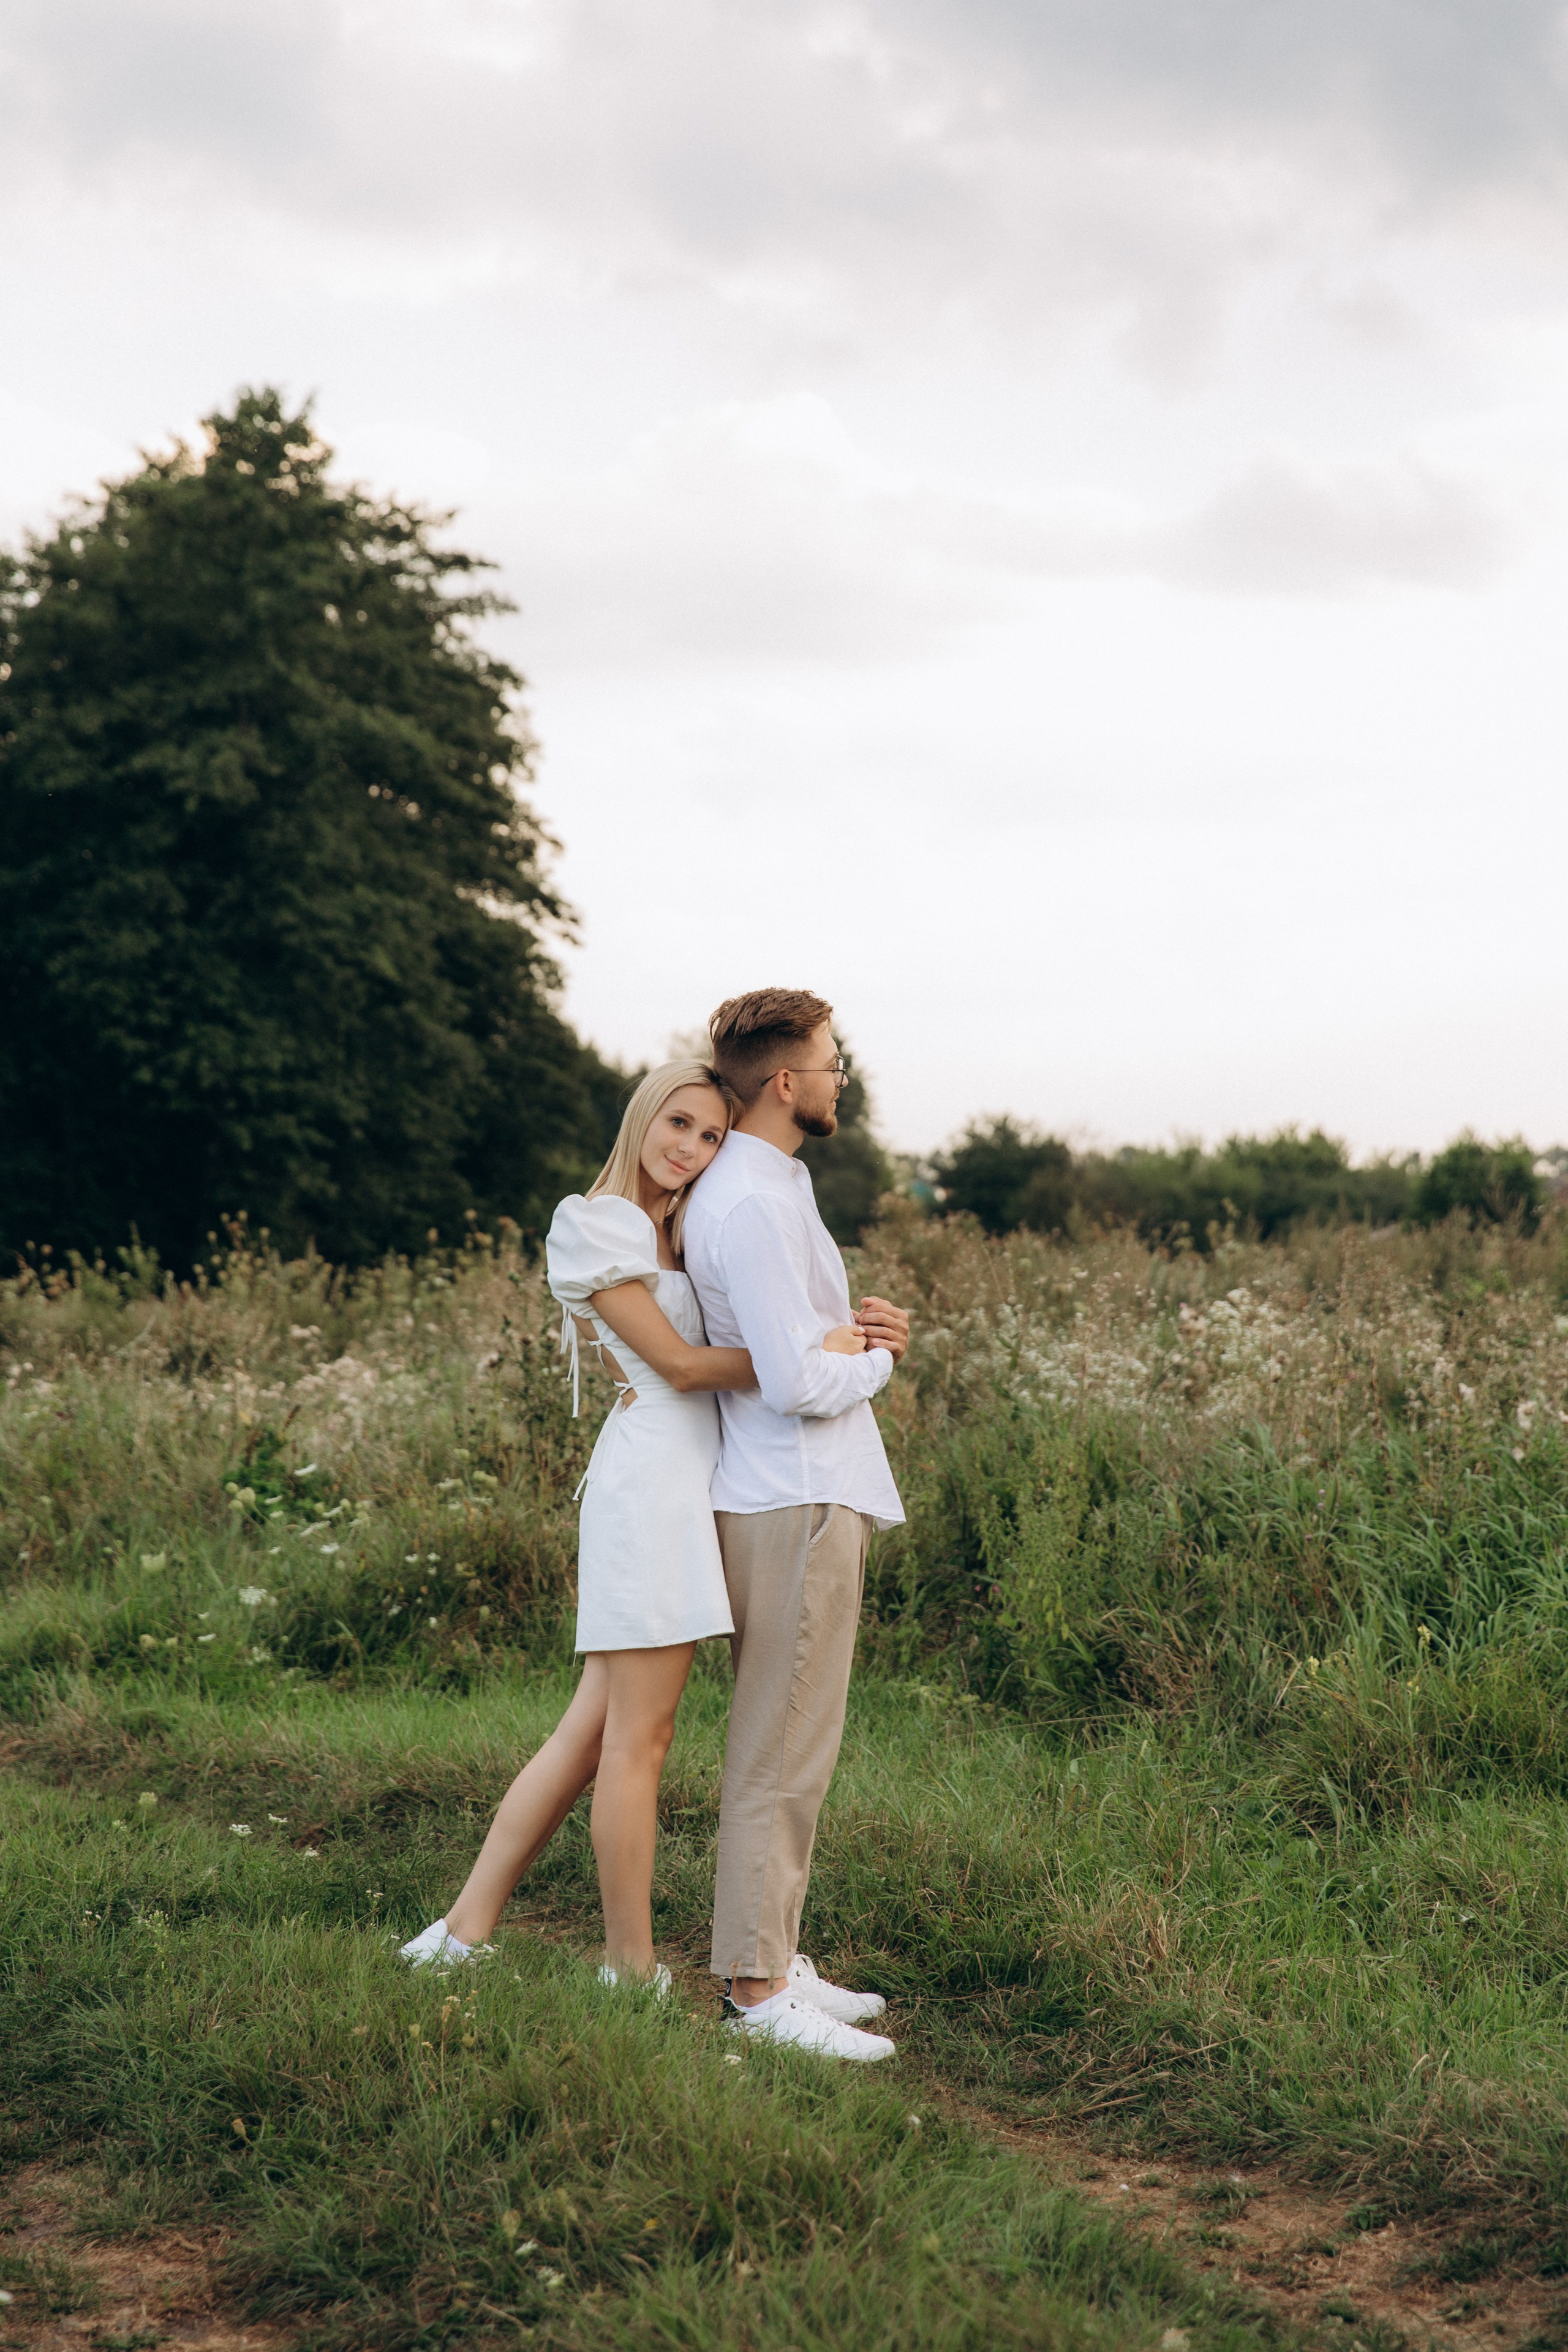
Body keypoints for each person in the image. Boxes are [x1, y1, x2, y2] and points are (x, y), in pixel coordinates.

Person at [399, 1057, 868, 1991]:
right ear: (642, 1117)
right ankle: (630, 1968)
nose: (691, 1149)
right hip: (652, 1484)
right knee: (637, 1742)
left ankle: (463, 1930)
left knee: (588, 1735)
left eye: (709, 1136)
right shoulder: (595, 1223)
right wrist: (807, 1354)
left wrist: (821, 1334)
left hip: (688, 1483)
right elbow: (683, 1368)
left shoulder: (677, 1228)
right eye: (679, 1125)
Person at [682, 989, 911, 2061]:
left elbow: (803, 1343)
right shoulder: (753, 1200)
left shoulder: (774, 1185)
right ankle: (755, 1988)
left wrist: (859, 1332)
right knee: (779, 1748)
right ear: (785, 1082)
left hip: (803, 1489)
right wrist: (878, 1361)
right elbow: (791, 1376)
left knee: (796, 1745)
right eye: (829, 1062)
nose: (839, 1077)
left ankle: (777, 1951)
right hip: (796, 1494)